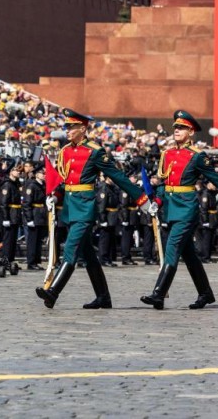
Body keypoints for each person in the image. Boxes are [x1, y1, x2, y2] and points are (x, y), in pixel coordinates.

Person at [36, 108, 155, 309]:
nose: (68, 130)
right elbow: (64, 180)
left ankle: (53, 291)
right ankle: (103, 297)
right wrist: (55, 195)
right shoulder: (65, 151)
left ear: (82, 128)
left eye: (71, 127)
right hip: (70, 207)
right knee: (88, 255)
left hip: (84, 207)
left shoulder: (95, 151)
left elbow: (118, 177)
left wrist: (142, 199)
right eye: (67, 127)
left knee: (71, 251)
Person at [140, 110, 218, 310]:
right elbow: (164, 183)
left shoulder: (198, 156)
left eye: (182, 128)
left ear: (191, 132)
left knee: (172, 247)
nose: (177, 130)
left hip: (186, 209)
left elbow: (216, 180)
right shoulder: (167, 154)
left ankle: (158, 294)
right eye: (176, 127)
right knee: (188, 254)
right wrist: (157, 200)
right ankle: (205, 294)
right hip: (171, 208)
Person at [22, 163, 48, 270]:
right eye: (42, 173)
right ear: (36, 174)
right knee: (32, 240)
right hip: (34, 214)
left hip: (41, 214)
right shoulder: (32, 185)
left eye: (44, 173)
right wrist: (29, 219)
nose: (44, 175)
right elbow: (27, 203)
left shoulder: (42, 185)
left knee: (38, 240)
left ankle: (36, 261)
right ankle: (31, 262)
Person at [0, 162, 23, 265]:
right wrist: (5, 218)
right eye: (16, 170)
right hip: (10, 214)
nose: (18, 172)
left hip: (15, 214)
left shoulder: (16, 184)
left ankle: (11, 260)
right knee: (8, 239)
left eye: (19, 171)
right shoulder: (7, 184)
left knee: (13, 240)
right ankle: (6, 260)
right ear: (10, 172)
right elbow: (4, 203)